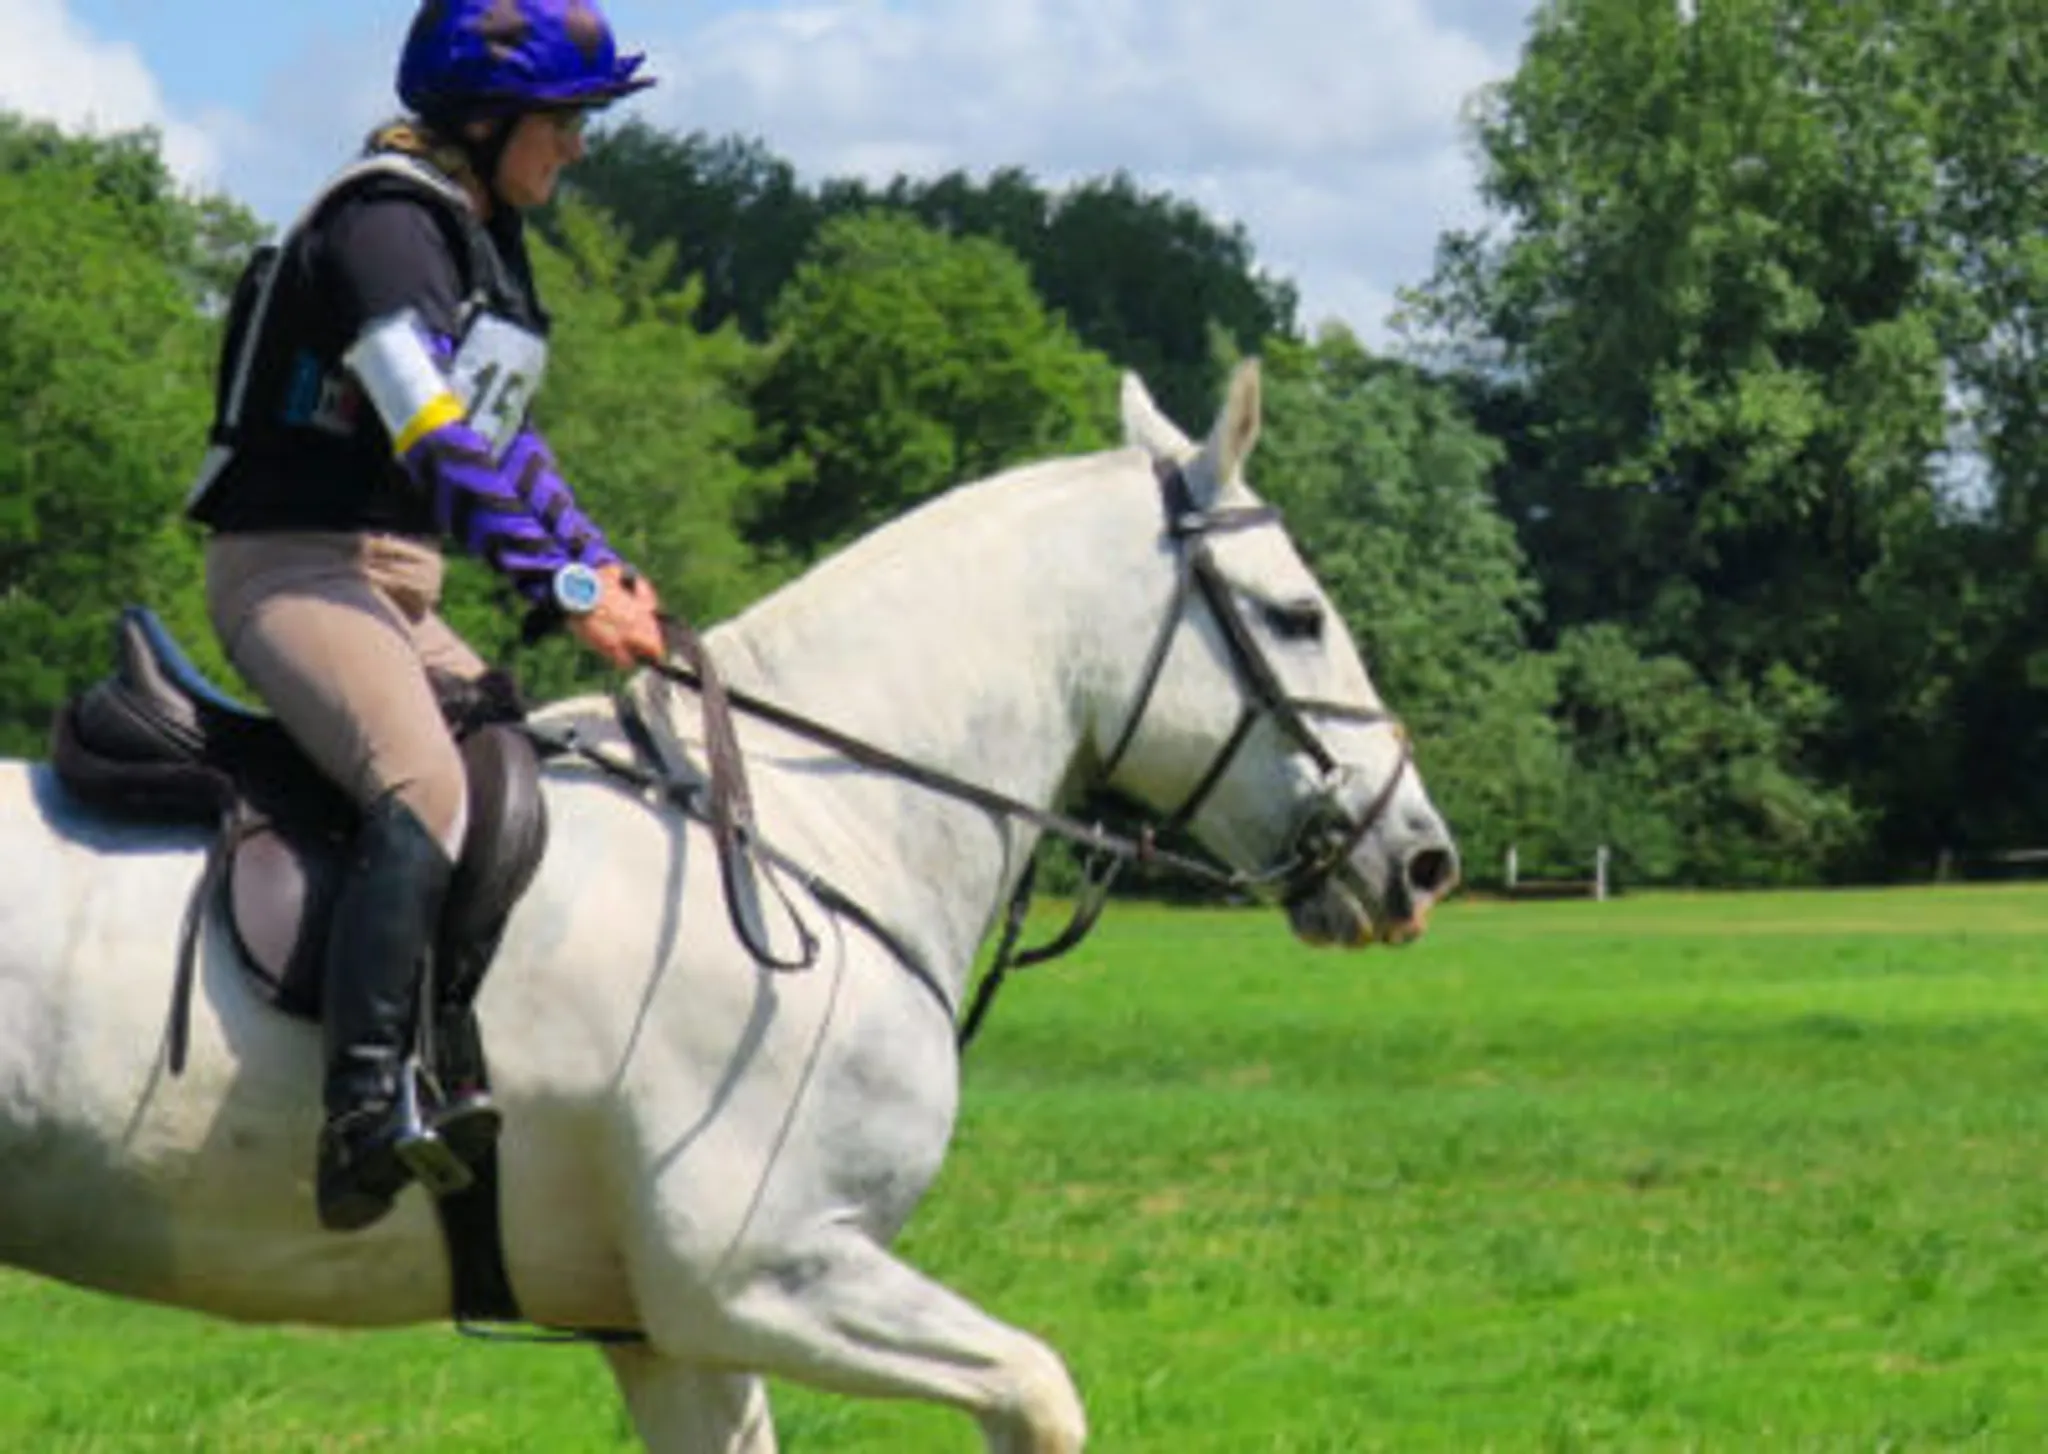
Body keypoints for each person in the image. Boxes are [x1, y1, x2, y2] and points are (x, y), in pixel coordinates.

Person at [185, 0, 666, 1232]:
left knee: (511, 752)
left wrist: (601, 566)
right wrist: (567, 598)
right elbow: (437, 435)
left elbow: (508, 444)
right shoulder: (385, 227)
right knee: (423, 788)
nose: (576, 148)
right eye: (563, 122)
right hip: (297, 572)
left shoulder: (478, 237)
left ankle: (452, 1055)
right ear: (486, 117)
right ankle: (359, 1119)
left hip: (399, 583)